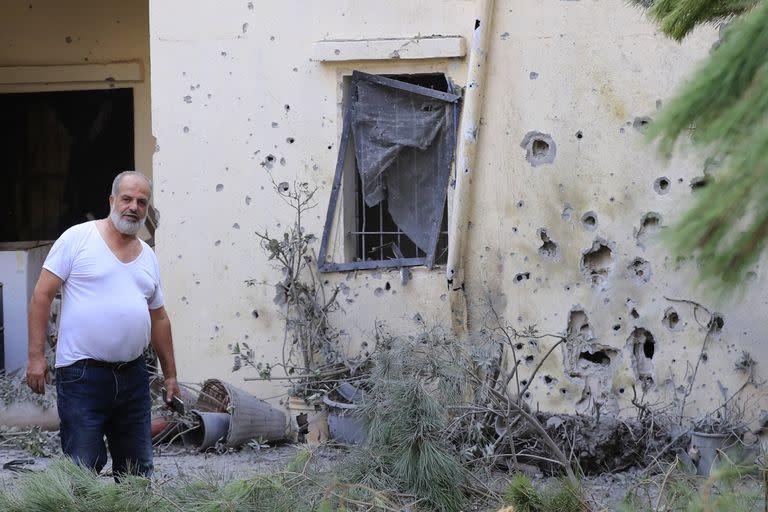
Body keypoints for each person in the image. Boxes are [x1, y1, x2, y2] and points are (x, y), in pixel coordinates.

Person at [26, 170, 180, 478]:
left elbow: (159, 318)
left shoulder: (148, 257)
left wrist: (171, 374)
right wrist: (36, 357)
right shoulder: (78, 239)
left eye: (141, 202)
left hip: (133, 377)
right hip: (82, 375)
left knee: (137, 470)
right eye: (126, 199)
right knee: (82, 465)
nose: (133, 207)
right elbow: (42, 296)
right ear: (112, 201)